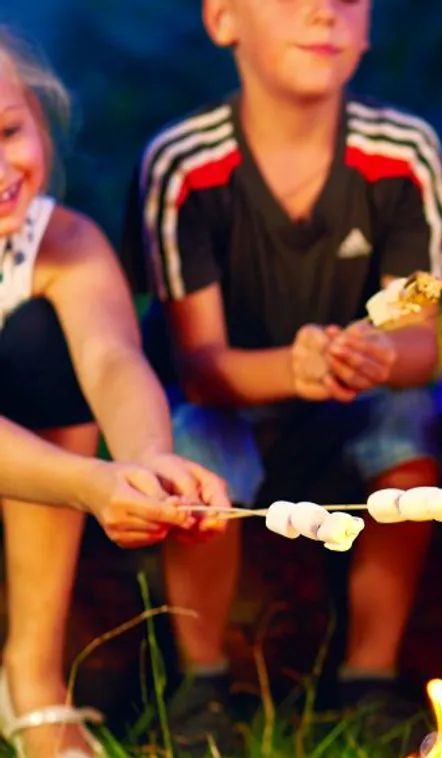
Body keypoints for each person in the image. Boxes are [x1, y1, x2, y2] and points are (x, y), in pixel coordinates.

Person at [119, 0, 442, 750]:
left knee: (408, 426)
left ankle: (371, 677)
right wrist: (295, 367)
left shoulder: (405, 154)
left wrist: (371, 354)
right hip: (236, 393)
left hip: (356, 401)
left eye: (346, 1)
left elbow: (418, 336)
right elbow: (198, 365)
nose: (321, 13)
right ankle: (200, 683)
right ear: (223, 19)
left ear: (368, 27)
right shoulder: (184, 166)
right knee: (195, 443)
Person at [0, 31, 229, 758]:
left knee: (45, 342)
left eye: (8, 130)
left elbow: (109, 359)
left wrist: (147, 460)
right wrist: (89, 483)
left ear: (37, 113)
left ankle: (31, 676)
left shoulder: (61, 241)